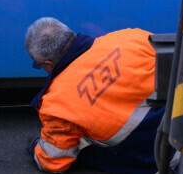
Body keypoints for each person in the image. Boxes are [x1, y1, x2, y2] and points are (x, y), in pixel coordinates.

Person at [24, 17, 163, 174]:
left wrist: (35, 147)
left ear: (48, 64)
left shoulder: (57, 102)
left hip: (162, 155)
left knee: (82, 150)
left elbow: (52, 162)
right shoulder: (131, 36)